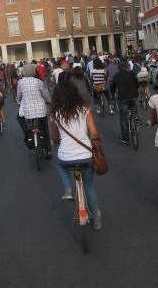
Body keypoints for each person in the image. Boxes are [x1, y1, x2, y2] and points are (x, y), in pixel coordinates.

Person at [50, 77, 102, 230]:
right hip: (86, 155)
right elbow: (94, 133)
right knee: (89, 186)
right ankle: (97, 217)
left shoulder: (55, 114)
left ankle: (67, 188)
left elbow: (54, 138)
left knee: (59, 165)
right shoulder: (84, 110)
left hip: (66, 157)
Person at [17, 64, 52, 157]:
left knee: (25, 123)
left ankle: (29, 136)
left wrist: (18, 101)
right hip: (41, 110)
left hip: (28, 112)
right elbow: (46, 95)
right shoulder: (39, 82)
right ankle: (48, 150)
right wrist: (49, 101)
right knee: (44, 129)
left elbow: (19, 96)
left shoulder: (20, 82)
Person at [110, 60, 139, 145]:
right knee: (133, 105)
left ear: (119, 68)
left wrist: (112, 94)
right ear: (127, 67)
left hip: (123, 98)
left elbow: (112, 87)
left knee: (123, 118)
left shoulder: (116, 76)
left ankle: (125, 138)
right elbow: (137, 84)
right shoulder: (132, 74)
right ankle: (136, 120)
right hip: (133, 96)